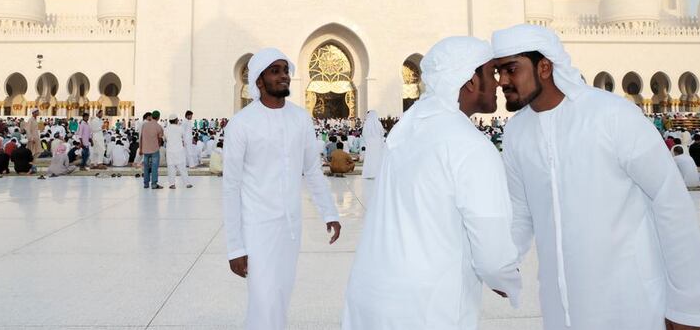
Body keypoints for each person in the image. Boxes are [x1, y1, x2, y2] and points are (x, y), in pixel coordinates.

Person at [492, 23, 700, 330]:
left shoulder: (611, 115)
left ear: (544, 66)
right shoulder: (517, 132)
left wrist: (688, 307)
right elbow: (520, 212)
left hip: (630, 305)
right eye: (498, 72)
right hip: (562, 309)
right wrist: (502, 263)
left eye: (511, 69)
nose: (502, 80)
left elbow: (671, 204)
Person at [342, 37, 520, 329]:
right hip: (427, 307)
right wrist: (508, 279)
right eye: (491, 72)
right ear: (470, 80)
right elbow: (492, 254)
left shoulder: (406, 132)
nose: (499, 82)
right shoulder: (470, 145)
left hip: (373, 296)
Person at [223, 48, 340, 330]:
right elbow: (230, 187)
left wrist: (329, 213)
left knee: (279, 296)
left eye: (285, 69)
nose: (283, 75)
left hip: (290, 228)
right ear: (259, 81)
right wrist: (235, 246)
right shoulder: (242, 124)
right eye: (274, 71)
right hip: (257, 227)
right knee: (263, 299)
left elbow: (311, 170)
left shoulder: (300, 118)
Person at [164, 114, 192, 189]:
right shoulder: (180, 128)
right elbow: (185, 139)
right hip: (179, 150)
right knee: (182, 167)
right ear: (176, 120)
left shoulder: (166, 129)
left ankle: (172, 184)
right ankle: (187, 183)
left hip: (170, 151)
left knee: (171, 168)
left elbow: (165, 139)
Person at [139, 111, 164, 189]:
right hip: (154, 149)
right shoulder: (158, 127)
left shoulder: (144, 125)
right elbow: (160, 139)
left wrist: (140, 148)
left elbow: (141, 137)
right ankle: (154, 184)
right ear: (158, 117)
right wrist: (159, 145)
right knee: (154, 167)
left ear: (152, 116)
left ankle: (146, 184)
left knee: (146, 167)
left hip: (145, 150)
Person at [360, 111, 386, 179]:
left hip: (369, 143)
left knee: (369, 158)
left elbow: (364, 134)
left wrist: (368, 140)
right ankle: (377, 173)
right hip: (377, 143)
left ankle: (369, 173)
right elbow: (382, 133)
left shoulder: (366, 123)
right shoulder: (378, 123)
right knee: (377, 158)